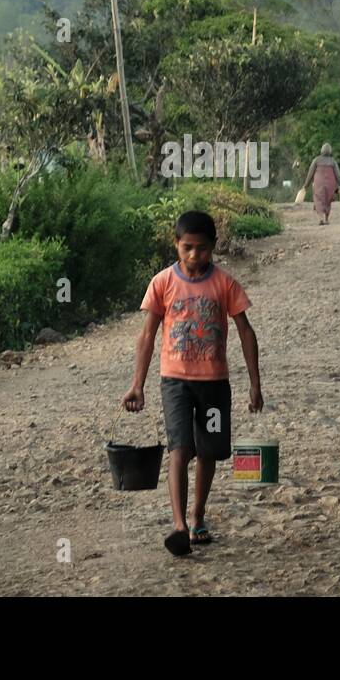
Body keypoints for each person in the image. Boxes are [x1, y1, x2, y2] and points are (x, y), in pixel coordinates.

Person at [122, 210, 263, 556]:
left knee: (209, 451)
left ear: (213, 246)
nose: (194, 255)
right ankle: (179, 525)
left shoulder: (225, 284)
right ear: (176, 245)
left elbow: (246, 332)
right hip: (174, 383)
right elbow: (147, 336)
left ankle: (198, 515)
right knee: (179, 450)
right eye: (187, 248)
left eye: (201, 249)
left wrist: (255, 384)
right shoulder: (162, 283)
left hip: (214, 384)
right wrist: (137, 383)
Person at [303, 143, 340, 225]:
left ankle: (321, 218)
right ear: (330, 151)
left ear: (321, 150)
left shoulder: (316, 160)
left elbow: (310, 173)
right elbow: (338, 175)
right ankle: (327, 219)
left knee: (318, 199)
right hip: (330, 184)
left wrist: (305, 185)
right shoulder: (333, 161)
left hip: (319, 183)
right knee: (328, 200)